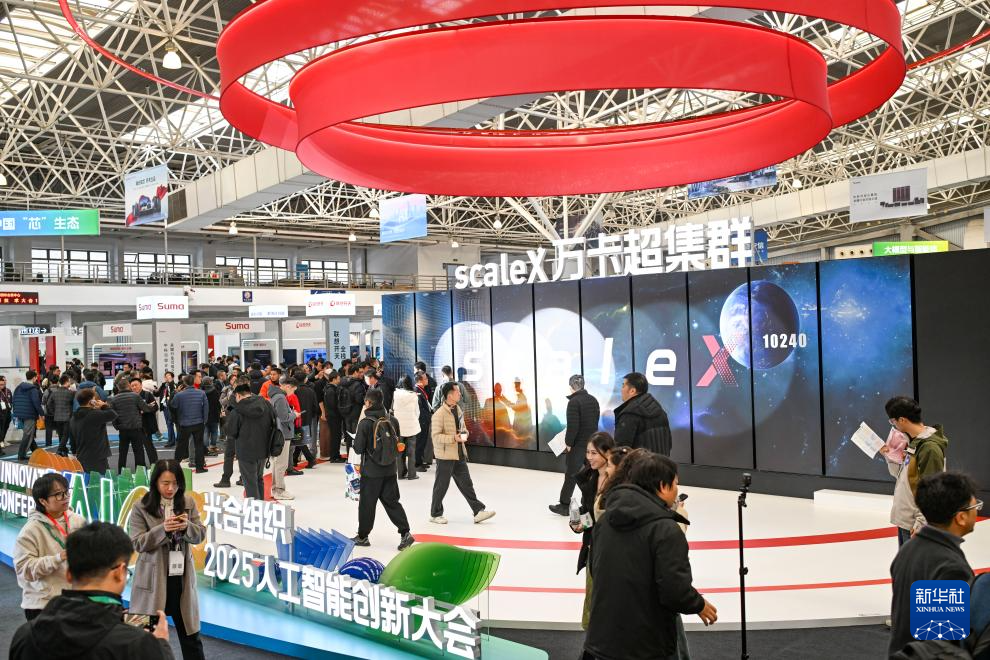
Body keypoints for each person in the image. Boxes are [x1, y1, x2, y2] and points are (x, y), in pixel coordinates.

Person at [583, 450, 717, 660]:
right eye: (675, 483)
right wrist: (698, 604)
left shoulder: (605, 521)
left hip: (602, 641)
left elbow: (595, 569)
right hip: (647, 645)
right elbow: (674, 590)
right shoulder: (666, 529)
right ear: (663, 486)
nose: (677, 489)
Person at [10, 521, 174, 660]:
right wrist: (161, 646)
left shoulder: (25, 635)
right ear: (119, 572)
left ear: (69, 574)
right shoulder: (140, 644)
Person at [888, 471, 980, 656]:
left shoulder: (908, 549)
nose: (977, 511)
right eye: (975, 506)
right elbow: (944, 644)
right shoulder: (949, 567)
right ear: (960, 517)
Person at [129, 460, 206, 660]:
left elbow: (200, 535)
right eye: (165, 483)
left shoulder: (188, 503)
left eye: (175, 483)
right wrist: (162, 530)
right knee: (145, 639)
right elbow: (137, 543)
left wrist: (187, 527)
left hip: (181, 579)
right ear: (155, 482)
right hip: (151, 581)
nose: (171, 488)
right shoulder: (140, 506)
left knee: (192, 638)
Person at [14, 473, 88, 620]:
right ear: (43, 501)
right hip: (43, 606)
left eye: (66, 492)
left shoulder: (78, 520)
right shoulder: (30, 530)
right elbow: (24, 570)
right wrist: (58, 558)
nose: (65, 497)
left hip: (76, 601)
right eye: (58, 494)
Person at [351, 388, 415, 551]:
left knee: (367, 504)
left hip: (371, 472)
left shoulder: (365, 423)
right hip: (390, 469)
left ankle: (363, 536)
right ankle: (405, 533)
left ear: (368, 403)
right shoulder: (392, 420)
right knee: (392, 502)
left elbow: (358, 448)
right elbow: (397, 443)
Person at [881, 396, 948, 546]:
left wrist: (921, 523)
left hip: (916, 525)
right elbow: (902, 477)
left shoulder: (929, 448)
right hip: (907, 521)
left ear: (902, 420)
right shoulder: (912, 442)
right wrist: (889, 455)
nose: (893, 426)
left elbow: (933, 491)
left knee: (915, 562)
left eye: (893, 421)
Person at [569, 434, 619, 630]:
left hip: (614, 549)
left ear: (608, 453)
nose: (589, 457)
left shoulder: (619, 482)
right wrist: (579, 523)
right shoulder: (589, 477)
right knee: (592, 596)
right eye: (588, 452)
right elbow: (589, 512)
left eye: (594, 453)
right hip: (593, 547)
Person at [429, 382, 495, 525]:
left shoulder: (458, 409)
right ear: (449, 395)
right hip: (445, 456)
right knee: (441, 485)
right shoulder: (439, 414)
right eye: (457, 392)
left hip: (459, 453)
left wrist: (465, 433)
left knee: (466, 484)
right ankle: (435, 514)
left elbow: (462, 427)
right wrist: (453, 438)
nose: (460, 394)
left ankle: (478, 511)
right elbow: (435, 437)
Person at [550, 374, 601, 516]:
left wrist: (568, 443)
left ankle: (564, 505)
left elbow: (573, 426)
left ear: (571, 387)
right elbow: (595, 422)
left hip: (578, 445)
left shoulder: (574, 402)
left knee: (571, 475)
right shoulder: (593, 400)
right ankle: (590, 503)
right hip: (591, 443)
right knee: (591, 474)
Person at [219, 384, 274, 499]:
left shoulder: (237, 410)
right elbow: (273, 422)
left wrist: (225, 420)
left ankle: (254, 508)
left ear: (238, 395)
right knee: (259, 478)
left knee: (249, 482)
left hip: (246, 451)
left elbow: (231, 432)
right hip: (263, 449)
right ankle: (260, 505)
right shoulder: (265, 404)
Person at [613, 372, 673, 455]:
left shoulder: (629, 414)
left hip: (639, 463)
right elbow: (668, 444)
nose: (621, 390)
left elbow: (621, 450)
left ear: (632, 391)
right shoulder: (660, 411)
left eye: (623, 386)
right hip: (661, 462)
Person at [109, 378, 156, 473]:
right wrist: (151, 406)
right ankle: (140, 473)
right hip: (136, 428)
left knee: (122, 453)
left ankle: (121, 473)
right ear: (128, 386)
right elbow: (145, 409)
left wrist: (117, 426)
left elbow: (113, 415)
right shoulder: (135, 396)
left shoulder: (114, 399)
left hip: (123, 429)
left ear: (118, 387)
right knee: (138, 452)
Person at [70, 389, 117, 473]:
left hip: (81, 454)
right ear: (91, 401)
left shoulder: (73, 417)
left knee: (87, 478)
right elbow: (113, 414)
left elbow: (72, 437)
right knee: (101, 479)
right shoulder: (94, 414)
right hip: (97, 455)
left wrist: (74, 451)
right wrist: (103, 405)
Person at [269, 377, 300, 501]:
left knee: (278, 463)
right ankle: (279, 490)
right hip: (282, 434)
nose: (293, 392)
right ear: (288, 386)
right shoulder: (280, 398)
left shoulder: (276, 396)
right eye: (293, 390)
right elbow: (283, 417)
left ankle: (276, 488)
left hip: (279, 433)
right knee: (281, 464)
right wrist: (294, 414)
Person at [169, 375, 209, 474]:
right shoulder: (201, 393)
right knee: (199, 445)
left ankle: (175, 466)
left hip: (184, 423)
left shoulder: (179, 395)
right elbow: (206, 408)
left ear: (184, 383)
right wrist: (204, 420)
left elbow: (173, 406)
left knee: (181, 446)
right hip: (199, 423)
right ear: (193, 382)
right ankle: (200, 468)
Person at [392, 376, 421, 480]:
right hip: (411, 427)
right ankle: (412, 474)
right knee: (411, 452)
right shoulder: (414, 396)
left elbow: (392, 409)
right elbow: (417, 412)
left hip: (398, 428)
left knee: (399, 451)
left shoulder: (395, 394)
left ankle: (400, 474)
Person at [13, 369, 44, 460]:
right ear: (34, 378)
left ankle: (35, 450)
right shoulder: (33, 389)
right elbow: (36, 403)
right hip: (29, 414)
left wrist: (16, 412)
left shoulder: (18, 387)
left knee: (28, 434)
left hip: (19, 413)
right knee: (28, 435)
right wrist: (42, 414)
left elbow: (14, 399)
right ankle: (21, 455)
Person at [293, 376, 320, 467]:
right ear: (305, 379)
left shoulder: (294, 391)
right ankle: (294, 459)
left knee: (298, 439)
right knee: (299, 438)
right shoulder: (311, 391)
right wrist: (312, 416)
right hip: (308, 418)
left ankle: (310, 459)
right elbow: (315, 406)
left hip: (296, 418)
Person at [47, 375, 75, 456]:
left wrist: (54, 412)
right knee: (65, 435)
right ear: (66, 382)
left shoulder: (54, 392)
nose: (70, 383)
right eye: (69, 381)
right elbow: (73, 404)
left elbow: (48, 404)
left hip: (57, 417)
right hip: (67, 417)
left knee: (61, 435)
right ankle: (59, 450)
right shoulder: (71, 393)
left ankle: (64, 451)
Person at [321, 369, 345, 462]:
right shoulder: (331, 390)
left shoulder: (329, 388)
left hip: (332, 416)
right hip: (333, 416)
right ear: (334, 379)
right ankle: (334, 457)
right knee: (335, 436)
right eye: (338, 378)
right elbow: (333, 405)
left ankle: (336, 455)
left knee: (336, 435)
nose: (339, 380)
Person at [413, 371, 433, 471]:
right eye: (425, 378)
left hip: (425, 420)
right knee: (419, 442)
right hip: (421, 421)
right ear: (420, 380)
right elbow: (419, 409)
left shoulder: (421, 390)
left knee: (423, 442)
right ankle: (416, 464)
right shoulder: (416, 391)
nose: (427, 380)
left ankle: (420, 462)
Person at [201, 377, 221, 457]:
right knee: (214, 431)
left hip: (205, 415)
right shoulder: (215, 391)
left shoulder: (201, 392)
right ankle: (213, 446)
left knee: (205, 431)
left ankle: (206, 447)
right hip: (214, 414)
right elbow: (218, 403)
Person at [157, 372, 177, 447]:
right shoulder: (163, 385)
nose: (167, 378)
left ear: (172, 377)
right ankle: (171, 440)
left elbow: (173, 392)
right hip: (165, 406)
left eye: (169, 376)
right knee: (168, 424)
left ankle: (171, 441)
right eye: (166, 376)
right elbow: (157, 394)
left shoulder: (174, 385)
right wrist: (155, 390)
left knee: (170, 423)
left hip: (171, 407)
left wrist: (170, 382)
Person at [0, 375, 12, 452]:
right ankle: (1, 441)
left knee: (5, 427)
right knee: (1, 428)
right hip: (0, 413)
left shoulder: (8, 391)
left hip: (7, 412)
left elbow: (11, 400)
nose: (4, 382)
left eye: (5, 381)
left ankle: (2, 440)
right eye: (2, 381)